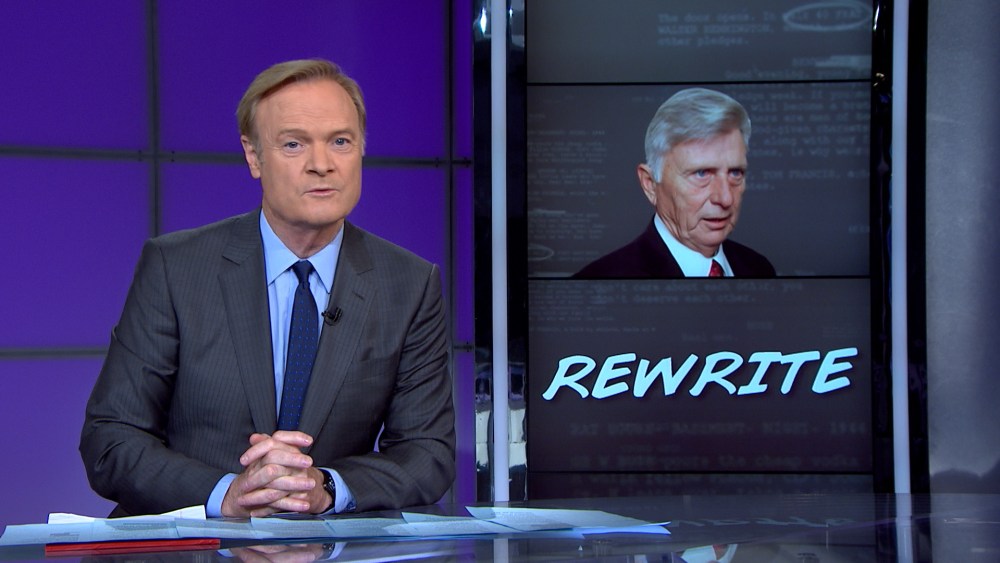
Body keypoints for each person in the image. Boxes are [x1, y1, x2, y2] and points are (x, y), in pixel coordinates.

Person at [80, 59, 455, 518]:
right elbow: (110, 438)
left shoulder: (409, 284)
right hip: (195, 542)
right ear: (254, 156)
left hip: (330, 545)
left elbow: (427, 452)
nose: (322, 165)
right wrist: (227, 494)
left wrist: (327, 487)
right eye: (294, 144)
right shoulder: (175, 267)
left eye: (340, 141)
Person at [574, 88, 775, 278]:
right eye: (702, 173)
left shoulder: (759, 269)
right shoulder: (599, 281)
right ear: (650, 184)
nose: (725, 198)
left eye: (735, 173)